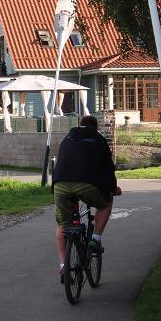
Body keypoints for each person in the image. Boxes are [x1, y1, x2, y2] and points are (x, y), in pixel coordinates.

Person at [52, 115, 122, 282]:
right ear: (96, 127)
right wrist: (113, 189)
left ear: (79, 125)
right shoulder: (99, 140)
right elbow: (108, 168)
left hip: (60, 185)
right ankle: (96, 239)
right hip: (87, 186)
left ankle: (63, 266)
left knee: (64, 225)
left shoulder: (67, 138)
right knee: (106, 203)